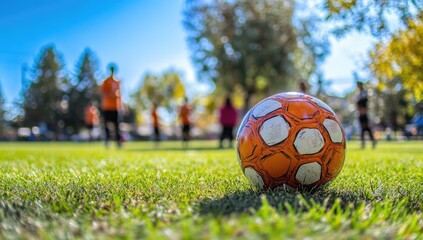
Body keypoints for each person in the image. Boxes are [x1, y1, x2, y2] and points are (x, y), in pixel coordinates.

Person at [100, 65, 123, 148]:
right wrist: (110, 95)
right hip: (107, 106)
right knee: (106, 124)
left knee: (117, 125)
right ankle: (107, 140)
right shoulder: (106, 81)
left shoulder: (117, 81)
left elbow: (120, 94)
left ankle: (118, 141)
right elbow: (103, 92)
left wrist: (121, 106)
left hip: (115, 107)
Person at [356, 81, 376, 149]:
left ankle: (372, 141)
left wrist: (362, 108)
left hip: (364, 113)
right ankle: (363, 144)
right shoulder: (358, 94)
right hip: (361, 114)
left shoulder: (364, 93)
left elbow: (364, 101)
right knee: (362, 129)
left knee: (366, 128)